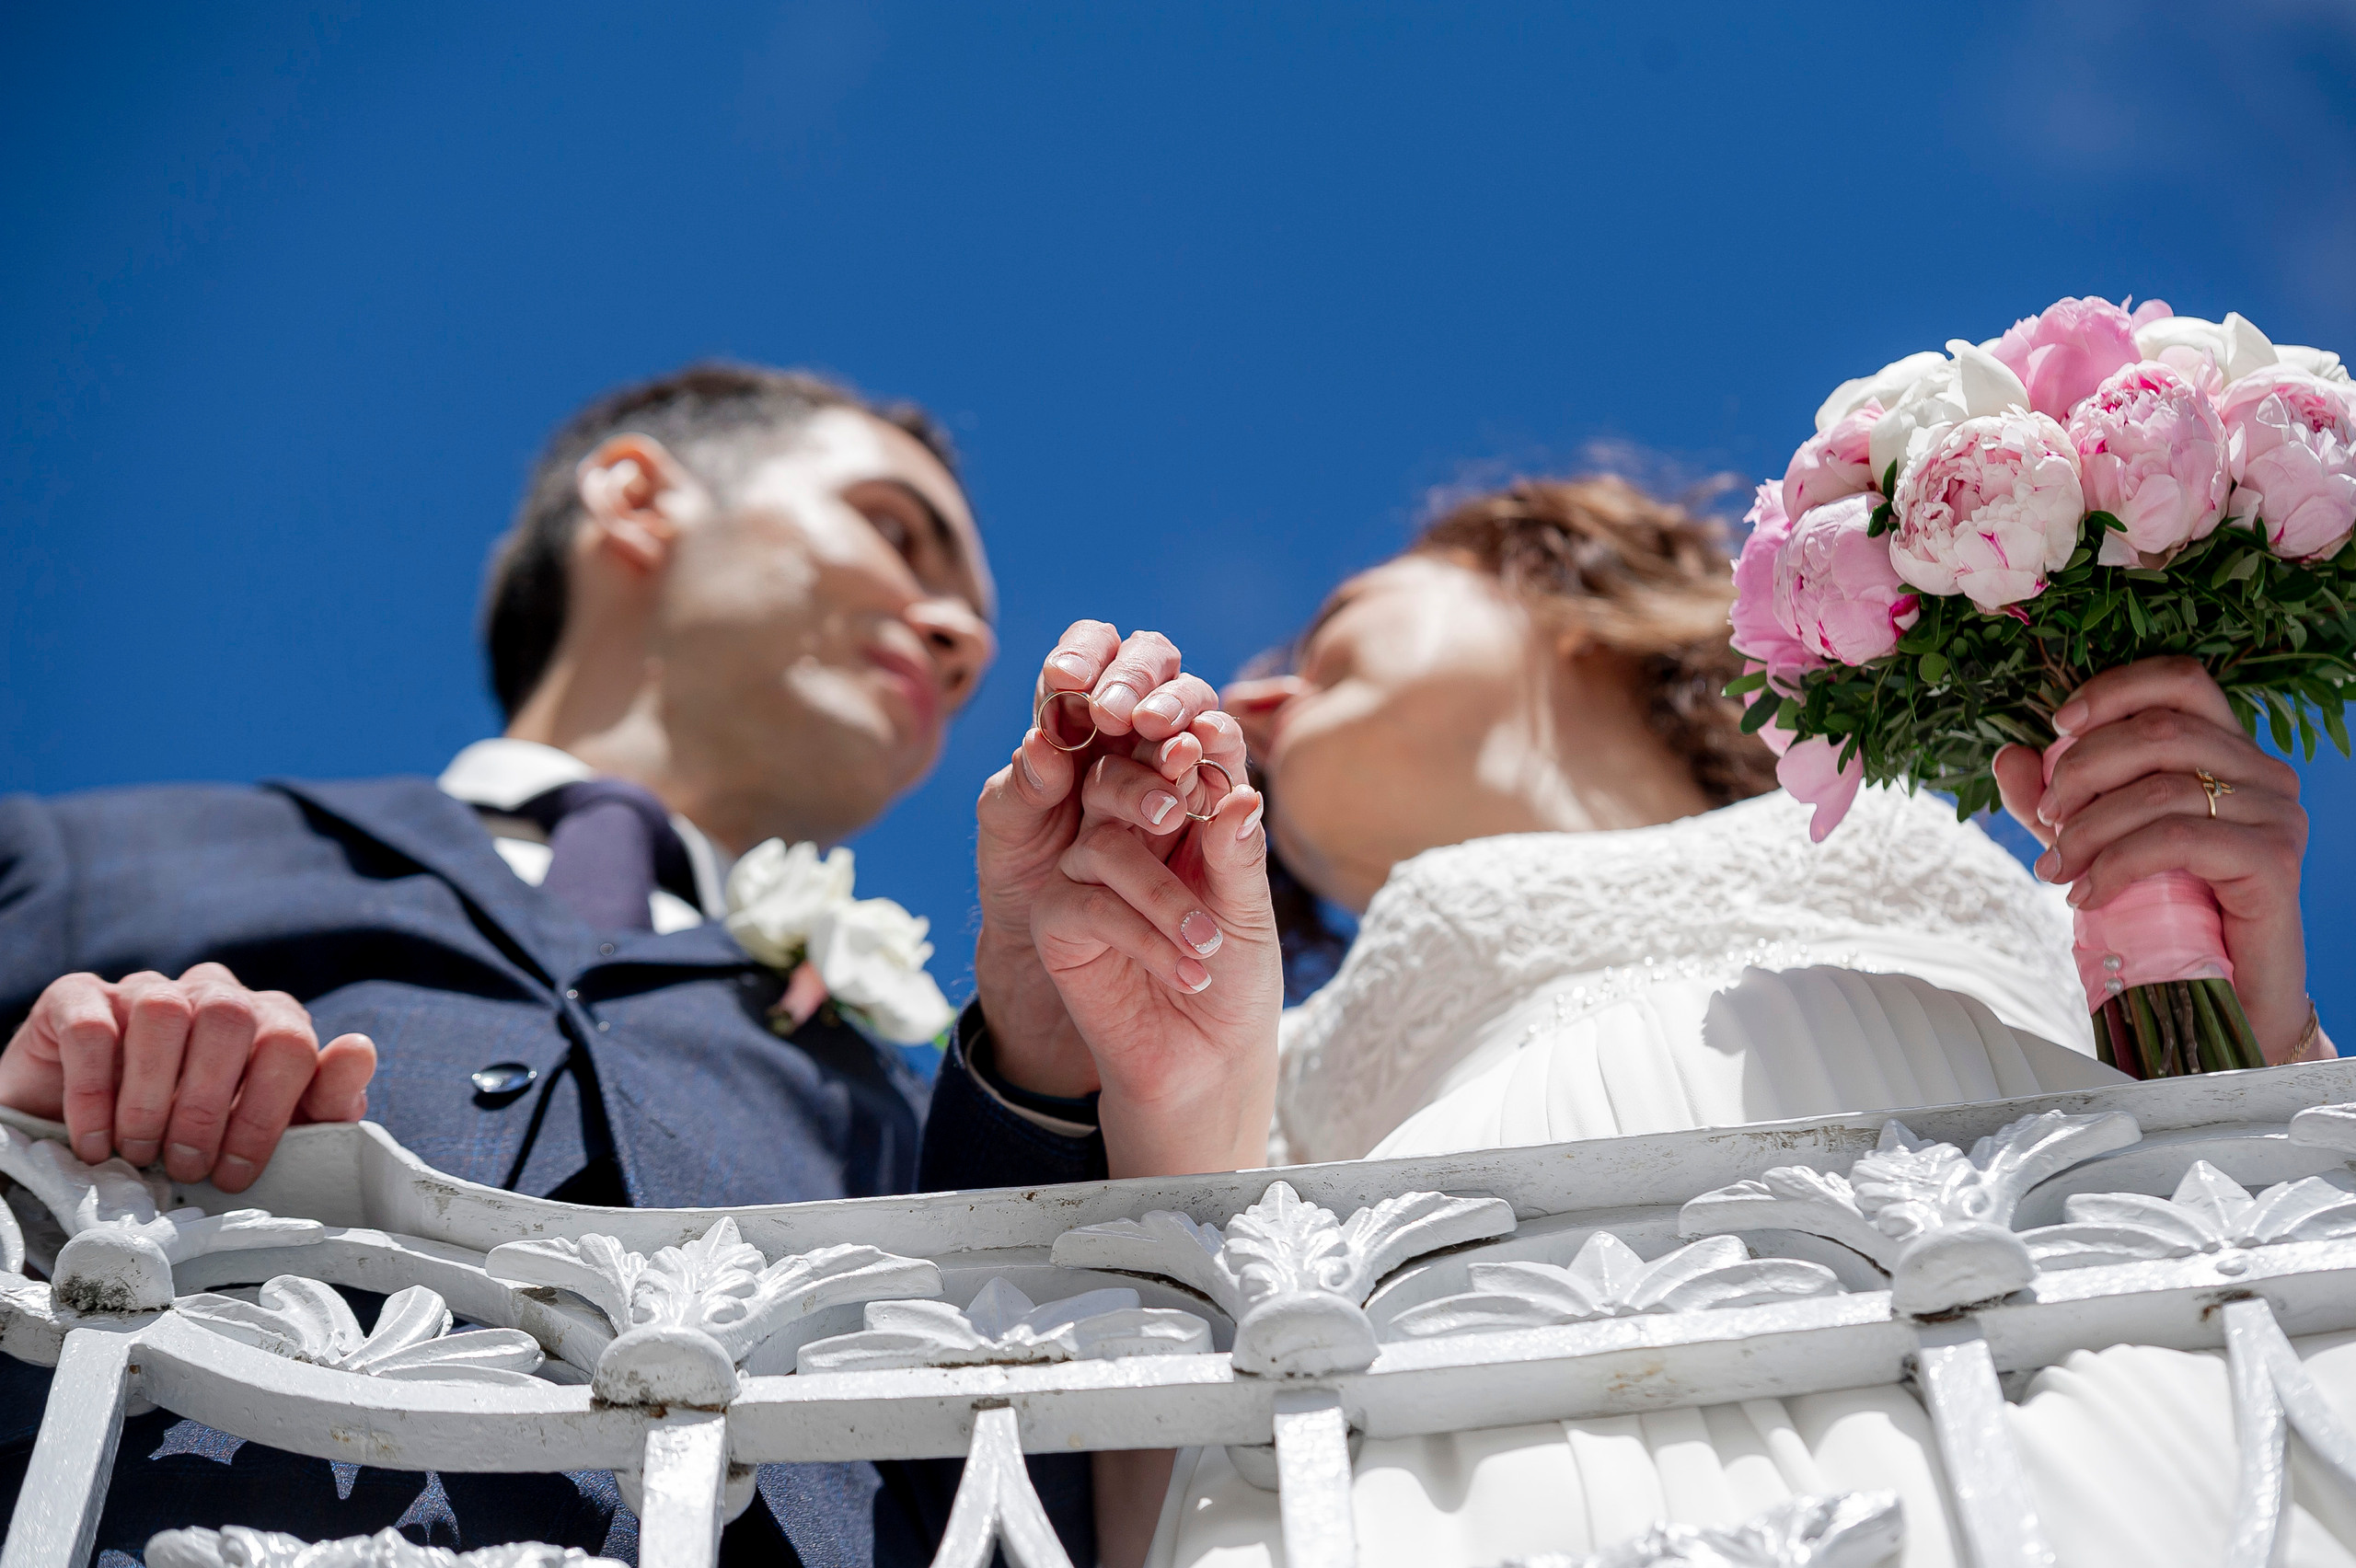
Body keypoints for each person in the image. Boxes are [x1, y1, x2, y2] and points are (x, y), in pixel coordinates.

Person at [0, 363, 1233, 1567]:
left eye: (972, 621)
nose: (962, 634)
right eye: (894, 529)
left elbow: (1039, 1486)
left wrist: (1040, 1054)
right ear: (637, 499)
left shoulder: (925, 1099)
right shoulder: (85, 858)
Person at [1000, 474, 2329, 1567]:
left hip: (2076, 1395)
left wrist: (2254, 1026)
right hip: (1485, 1489)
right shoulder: (1273, 1029)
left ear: (1568, 590)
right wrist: (1177, 1085)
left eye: (1335, 628)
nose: (1258, 696)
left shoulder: (1980, 840)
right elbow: (1163, 1449)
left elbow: (2218, 1161)